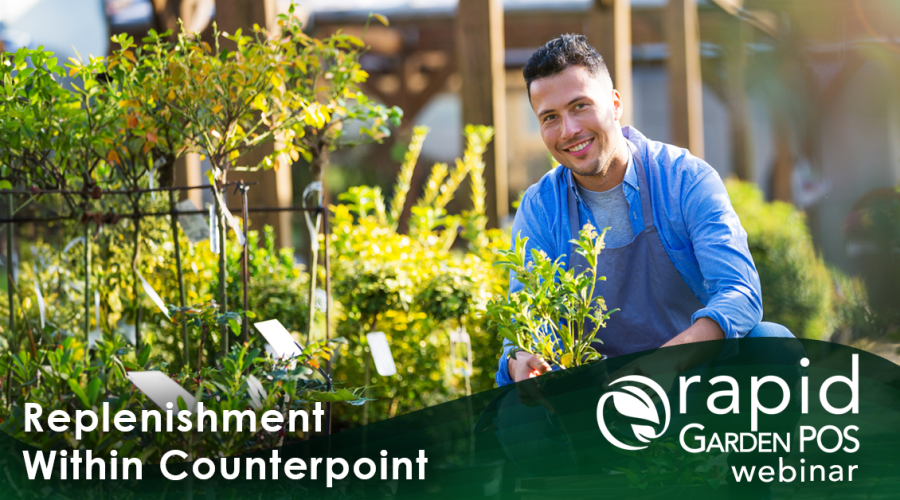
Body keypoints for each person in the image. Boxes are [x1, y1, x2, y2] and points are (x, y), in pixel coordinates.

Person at [495, 34, 796, 387]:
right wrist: (524, 361)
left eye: (580, 106)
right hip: (595, 397)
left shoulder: (685, 180)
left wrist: (661, 366)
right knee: (511, 414)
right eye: (549, 117)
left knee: (773, 345)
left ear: (616, 104)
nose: (569, 130)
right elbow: (527, 322)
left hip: (696, 380)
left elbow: (740, 292)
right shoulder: (540, 208)